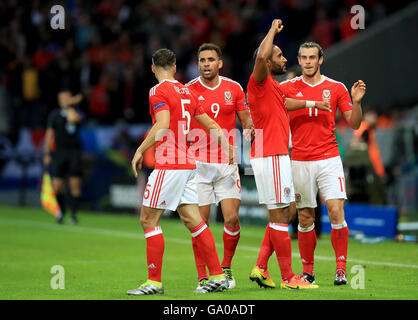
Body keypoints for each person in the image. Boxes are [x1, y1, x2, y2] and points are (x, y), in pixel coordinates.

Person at [127, 48, 235, 296]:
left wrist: (141, 149)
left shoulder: (158, 90)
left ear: (153, 68)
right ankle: (218, 275)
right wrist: (228, 145)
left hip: (170, 164)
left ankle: (154, 282)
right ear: (175, 68)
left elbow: (162, 124)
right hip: (189, 165)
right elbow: (210, 123)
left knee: (148, 220)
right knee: (193, 221)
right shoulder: (188, 91)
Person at [247, 20, 330, 290]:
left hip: (274, 155)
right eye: (280, 55)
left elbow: (286, 101)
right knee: (282, 214)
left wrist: (313, 102)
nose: (285, 59)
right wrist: (271, 29)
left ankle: (261, 267)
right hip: (270, 154)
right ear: (268, 62)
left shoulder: (272, 86)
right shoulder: (259, 80)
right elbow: (261, 54)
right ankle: (288, 278)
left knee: (288, 210)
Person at [279, 41, 366, 285]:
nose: (307, 62)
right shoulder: (287, 87)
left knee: (336, 211)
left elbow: (355, 123)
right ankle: (308, 271)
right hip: (299, 160)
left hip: (329, 158)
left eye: (312, 57)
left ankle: (341, 268)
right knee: (305, 217)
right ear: (299, 60)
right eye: (303, 57)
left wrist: (357, 103)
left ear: (320, 60)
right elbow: (276, 103)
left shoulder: (336, 88)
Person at [186, 43, 254, 290]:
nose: (206, 64)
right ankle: (203, 277)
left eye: (210, 60)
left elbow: (246, 120)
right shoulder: (188, 90)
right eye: (202, 60)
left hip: (227, 163)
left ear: (220, 63)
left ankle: (225, 267)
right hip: (199, 165)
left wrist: (251, 131)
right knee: (200, 224)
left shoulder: (234, 88)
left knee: (233, 219)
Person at [43, 90, 84, 224]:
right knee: (57, 186)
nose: (65, 100)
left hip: (74, 153)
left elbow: (73, 119)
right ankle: (61, 211)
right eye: (62, 98)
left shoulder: (76, 112)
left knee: (74, 184)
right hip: (60, 153)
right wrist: (47, 153)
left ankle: (74, 214)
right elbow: (49, 134)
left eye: (67, 98)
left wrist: (72, 104)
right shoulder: (54, 115)